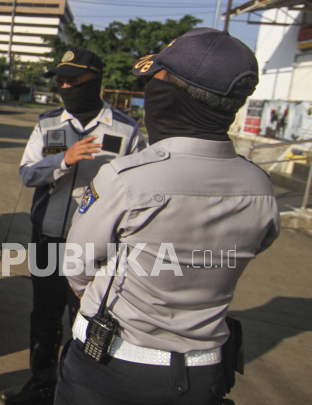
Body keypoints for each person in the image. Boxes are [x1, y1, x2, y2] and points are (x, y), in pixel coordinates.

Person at [55, 28, 280, 405]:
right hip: (203, 372)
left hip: (111, 368)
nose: (148, 95)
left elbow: (77, 265)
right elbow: (258, 244)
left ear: (172, 95)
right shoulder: (260, 187)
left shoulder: (127, 178)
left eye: (154, 83)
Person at [0, 48, 145, 405]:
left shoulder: (126, 131)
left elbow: (141, 188)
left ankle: (76, 394)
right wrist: (62, 160)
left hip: (96, 249)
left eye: (73, 79)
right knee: (45, 317)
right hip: (48, 239)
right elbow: (27, 173)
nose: (65, 85)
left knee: (86, 319)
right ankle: (40, 386)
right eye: (61, 79)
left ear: (94, 79)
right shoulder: (48, 124)